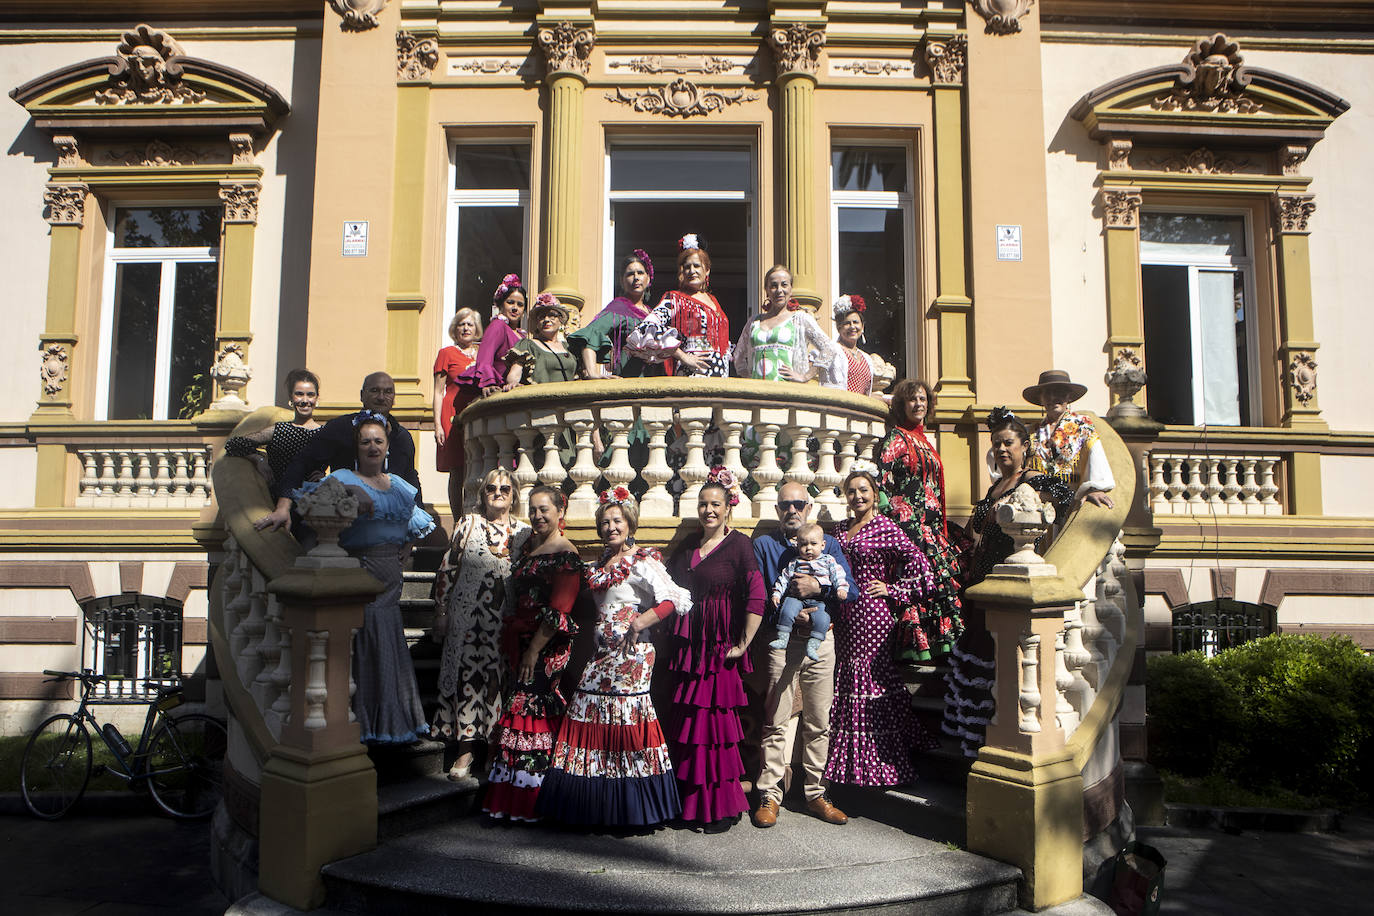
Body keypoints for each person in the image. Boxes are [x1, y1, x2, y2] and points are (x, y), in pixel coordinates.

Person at [538, 487, 690, 828]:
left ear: (630, 523)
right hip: (601, 655)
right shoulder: (599, 565)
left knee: (624, 719)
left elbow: (673, 600)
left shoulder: (643, 561)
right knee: (587, 710)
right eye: (605, 522)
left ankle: (632, 808)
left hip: (632, 655)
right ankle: (594, 807)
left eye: (617, 521)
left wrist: (640, 622)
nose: (611, 528)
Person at [294, 417, 435, 743]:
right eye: (366, 442)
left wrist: (406, 546)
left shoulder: (399, 486)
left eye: (378, 441)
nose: (373, 447)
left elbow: (415, 525)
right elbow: (310, 502)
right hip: (359, 578)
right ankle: (365, 722)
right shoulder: (342, 478)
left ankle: (392, 722)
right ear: (357, 448)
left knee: (388, 643)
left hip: (391, 582)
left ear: (387, 447)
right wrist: (351, 489)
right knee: (366, 642)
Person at [944, 408, 1075, 758]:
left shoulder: (1033, 479)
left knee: (997, 656)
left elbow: (1066, 498)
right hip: (982, 580)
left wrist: (1089, 493)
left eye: (1008, 443)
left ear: (1024, 446)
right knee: (977, 652)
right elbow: (976, 526)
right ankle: (973, 736)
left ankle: (994, 734)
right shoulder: (995, 485)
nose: (1002, 449)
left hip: (1009, 577)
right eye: (997, 444)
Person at [751, 481, 856, 829]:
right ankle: (769, 795)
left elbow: (851, 590)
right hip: (783, 643)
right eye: (785, 505)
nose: (792, 510)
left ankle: (815, 793)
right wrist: (783, 613)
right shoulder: (765, 546)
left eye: (798, 504)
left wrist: (819, 587)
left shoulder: (829, 544)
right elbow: (756, 597)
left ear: (809, 508)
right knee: (775, 719)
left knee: (818, 722)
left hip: (821, 642)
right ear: (777, 511)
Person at [663, 467, 763, 831]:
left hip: (719, 651)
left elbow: (756, 595)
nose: (708, 510)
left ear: (728, 507)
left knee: (715, 731)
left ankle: (719, 808)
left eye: (715, 504)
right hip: (689, 652)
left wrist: (743, 643)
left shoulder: (739, 545)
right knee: (690, 727)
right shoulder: (688, 546)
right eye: (703, 504)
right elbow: (666, 587)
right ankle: (690, 804)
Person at [827, 468, 936, 788]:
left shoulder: (885, 527)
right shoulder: (839, 529)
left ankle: (878, 765)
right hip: (844, 616)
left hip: (873, 615)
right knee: (847, 678)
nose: (857, 496)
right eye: (851, 491)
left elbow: (921, 566)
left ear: (875, 494)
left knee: (869, 680)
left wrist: (893, 590)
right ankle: (847, 763)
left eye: (863, 490)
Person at [483, 485, 583, 822]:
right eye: (533, 509)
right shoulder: (530, 548)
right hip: (522, 642)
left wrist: (533, 652)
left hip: (545, 645)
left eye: (544, 510)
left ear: (560, 512)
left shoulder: (566, 554)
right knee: (520, 710)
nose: (538, 516)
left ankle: (536, 800)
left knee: (532, 711)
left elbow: (559, 610)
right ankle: (514, 798)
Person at [430, 467, 531, 781]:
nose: (498, 493)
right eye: (491, 488)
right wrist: (441, 611)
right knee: (467, 680)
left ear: (514, 496)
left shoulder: (525, 532)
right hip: (467, 621)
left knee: (499, 683)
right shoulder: (469, 523)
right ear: (482, 494)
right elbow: (448, 568)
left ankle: (493, 747)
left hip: (504, 623)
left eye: (505, 489)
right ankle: (466, 748)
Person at [255, 371, 421, 532]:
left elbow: (411, 478)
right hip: (344, 524)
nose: (381, 397)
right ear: (362, 395)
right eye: (375, 390)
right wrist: (283, 507)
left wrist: (418, 525)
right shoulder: (340, 428)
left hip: (391, 527)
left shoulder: (402, 437)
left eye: (388, 392)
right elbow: (302, 463)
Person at [875, 378, 965, 664]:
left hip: (932, 526)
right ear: (902, 405)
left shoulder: (925, 441)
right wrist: (895, 520)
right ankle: (915, 648)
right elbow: (882, 480)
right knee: (918, 582)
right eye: (912, 399)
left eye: (923, 399)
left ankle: (939, 647)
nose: (918, 404)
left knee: (938, 586)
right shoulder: (897, 438)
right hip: (910, 527)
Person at [627, 234, 730, 378]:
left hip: (720, 375)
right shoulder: (675, 299)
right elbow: (648, 327)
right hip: (693, 374)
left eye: (696, 266)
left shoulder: (713, 301)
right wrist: (683, 357)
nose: (692, 271)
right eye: (687, 267)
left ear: (707, 270)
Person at [732, 265, 846, 387]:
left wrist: (805, 376)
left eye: (784, 285)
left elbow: (829, 348)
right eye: (774, 286)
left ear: (791, 289)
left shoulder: (800, 319)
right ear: (767, 290)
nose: (779, 290)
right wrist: (749, 377)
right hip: (757, 391)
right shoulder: (754, 322)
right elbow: (738, 356)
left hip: (786, 391)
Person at [1021, 369, 1116, 509]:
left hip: (1072, 502)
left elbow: (1096, 454)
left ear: (1069, 396)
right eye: (1047, 393)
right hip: (1037, 505)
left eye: (1059, 392)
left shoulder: (1082, 425)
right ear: (1041, 399)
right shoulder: (1032, 432)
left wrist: (1095, 487)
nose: (1053, 397)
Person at [224, 368, 322, 499]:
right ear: (291, 398)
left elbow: (343, 464)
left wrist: (326, 477)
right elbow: (232, 444)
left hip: (316, 502)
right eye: (299, 394)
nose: (305, 400)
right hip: (278, 499)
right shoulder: (279, 430)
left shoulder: (324, 434)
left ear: (316, 399)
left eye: (310, 395)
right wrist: (259, 459)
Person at [568, 250, 664, 379]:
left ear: (648, 278)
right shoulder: (618, 308)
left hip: (655, 381)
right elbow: (589, 334)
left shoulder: (653, 313)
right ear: (622, 281)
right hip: (628, 382)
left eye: (640, 273)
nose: (636, 277)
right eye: (630, 274)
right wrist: (592, 373)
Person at [768, 522, 849, 661]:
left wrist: (841, 588)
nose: (808, 548)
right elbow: (784, 578)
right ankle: (783, 638)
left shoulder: (828, 560)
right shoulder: (795, 562)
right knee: (787, 610)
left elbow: (838, 575)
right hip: (796, 598)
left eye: (813, 544)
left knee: (823, 619)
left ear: (823, 545)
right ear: (797, 546)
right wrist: (777, 594)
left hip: (819, 600)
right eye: (804, 544)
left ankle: (813, 644)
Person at [434, 307, 483, 511]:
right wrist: (437, 425)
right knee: (458, 469)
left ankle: (475, 514)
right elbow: (438, 391)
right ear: (455, 329)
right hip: (452, 414)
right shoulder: (446, 353)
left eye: (470, 324)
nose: (465, 328)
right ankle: (457, 519)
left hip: (478, 413)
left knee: (479, 465)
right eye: (461, 324)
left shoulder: (483, 353)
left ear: (477, 328)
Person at [459, 273, 528, 398]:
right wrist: (487, 383)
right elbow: (485, 356)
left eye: (520, 305)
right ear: (501, 305)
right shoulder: (498, 325)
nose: (515, 308)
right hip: (501, 392)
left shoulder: (522, 336)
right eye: (510, 302)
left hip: (519, 393)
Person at [504, 293, 577, 386]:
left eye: (552, 315)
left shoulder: (568, 347)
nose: (546, 319)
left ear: (561, 320)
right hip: (542, 394)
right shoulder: (528, 345)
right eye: (542, 317)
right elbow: (514, 374)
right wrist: (513, 383)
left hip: (568, 394)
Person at [831, 295, 889, 397]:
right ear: (839, 327)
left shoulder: (866, 358)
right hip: (841, 404)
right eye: (847, 323)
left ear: (862, 327)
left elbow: (867, 394)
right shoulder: (833, 351)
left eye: (855, 322)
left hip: (861, 406)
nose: (852, 327)